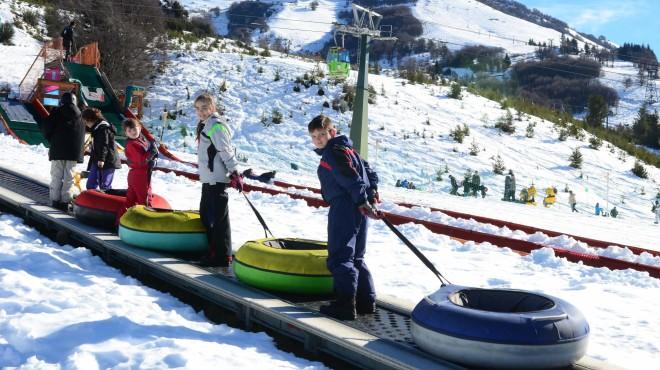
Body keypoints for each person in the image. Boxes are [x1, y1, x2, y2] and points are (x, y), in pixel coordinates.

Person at [308, 114, 379, 321]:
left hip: (345, 206)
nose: (318, 140)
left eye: (322, 134)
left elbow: (351, 178)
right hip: (359, 207)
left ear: (332, 132)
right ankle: (366, 302)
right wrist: (369, 198)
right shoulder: (349, 150)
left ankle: (345, 304)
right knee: (356, 256)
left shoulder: (333, 153)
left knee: (340, 256)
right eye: (314, 136)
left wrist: (361, 199)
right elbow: (370, 174)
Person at [195, 93, 242, 267]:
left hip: (216, 179)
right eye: (198, 109)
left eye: (205, 108)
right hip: (209, 179)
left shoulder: (216, 126)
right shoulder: (206, 125)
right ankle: (215, 250)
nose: (201, 112)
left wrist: (235, 172)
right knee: (207, 216)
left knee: (217, 219)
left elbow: (226, 151)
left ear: (213, 108)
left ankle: (222, 256)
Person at [41, 92, 85, 211]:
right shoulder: (81, 115)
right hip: (73, 152)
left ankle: (55, 201)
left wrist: (52, 139)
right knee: (69, 177)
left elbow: (46, 127)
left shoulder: (57, 112)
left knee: (56, 175)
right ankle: (65, 201)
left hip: (58, 149)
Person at [116, 118, 158, 222]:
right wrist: (151, 153)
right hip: (140, 175)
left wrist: (152, 151)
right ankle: (146, 223)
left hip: (137, 174)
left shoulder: (139, 140)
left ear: (139, 128)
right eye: (129, 131)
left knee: (131, 200)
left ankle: (120, 221)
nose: (133, 132)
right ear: (126, 133)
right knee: (145, 199)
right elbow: (141, 160)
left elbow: (146, 154)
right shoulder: (132, 144)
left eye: (134, 129)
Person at [82, 108, 121, 191]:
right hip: (97, 159)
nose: (85, 124)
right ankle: (91, 197)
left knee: (104, 185)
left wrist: (101, 159)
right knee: (91, 183)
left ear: (91, 119)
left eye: (86, 121)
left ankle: (106, 199)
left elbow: (104, 144)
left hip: (107, 160)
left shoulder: (103, 128)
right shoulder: (96, 127)